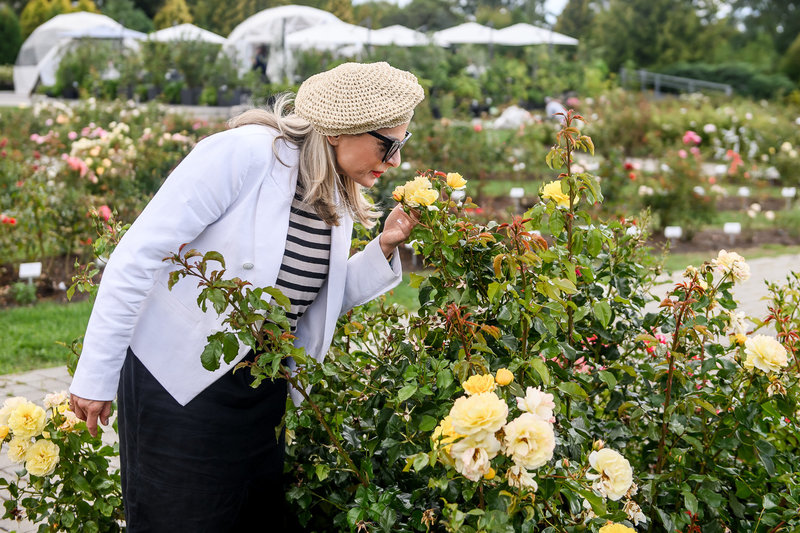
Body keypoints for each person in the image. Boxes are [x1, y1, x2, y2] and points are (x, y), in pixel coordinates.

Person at [68, 61, 424, 531]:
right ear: (340, 130)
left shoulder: (330, 192)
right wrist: (95, 375)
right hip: (181, 384)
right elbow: (137, 256)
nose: (396, 160)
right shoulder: (243, 154)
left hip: (262, 392)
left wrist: (384, 245)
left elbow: (313, 300)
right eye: (388, 144)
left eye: (403, 145)